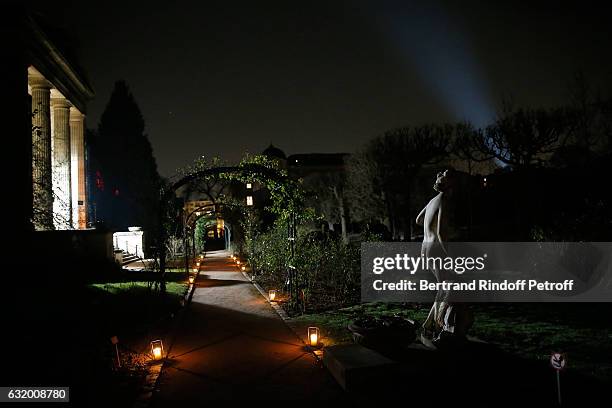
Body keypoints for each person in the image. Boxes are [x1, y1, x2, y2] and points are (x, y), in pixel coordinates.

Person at [416, 168, 473, 348]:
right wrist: (448, 253)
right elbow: (441, 232)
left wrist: (428, 229)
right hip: (435, 248)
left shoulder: (432, 200)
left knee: (444, 286)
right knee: (446, 287)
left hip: (425, 247)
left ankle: (430, 324)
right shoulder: (443, 201)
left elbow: (418, 220)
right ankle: (433, 324)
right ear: (451, 185)